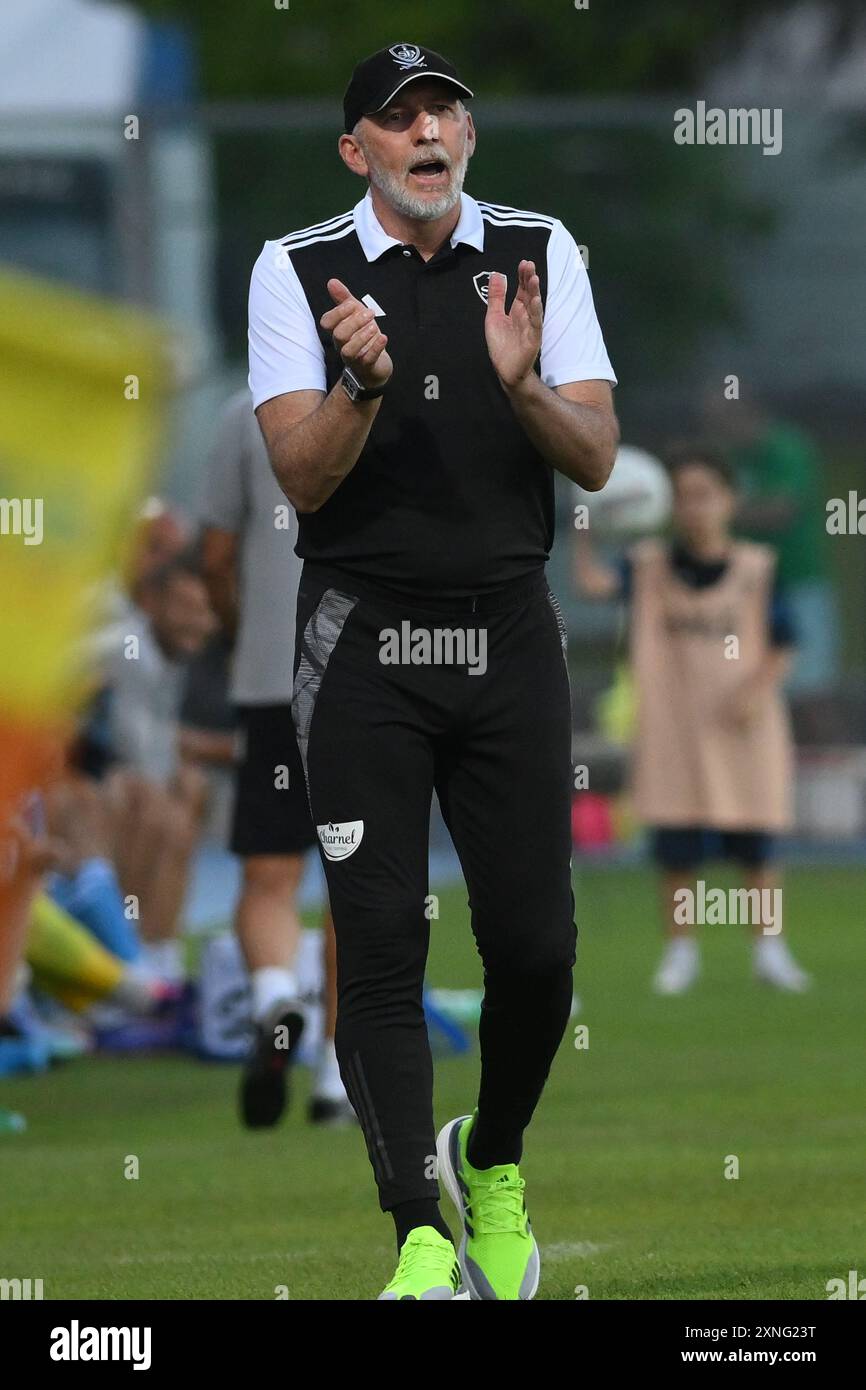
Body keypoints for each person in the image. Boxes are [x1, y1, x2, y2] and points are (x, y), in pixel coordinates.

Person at [248, 43, 618, 1299]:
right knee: (379, 939)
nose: (427, 129)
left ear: (466, 138)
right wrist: (357, 384)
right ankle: (416, 1227)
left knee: (534, 949)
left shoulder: (538, 248)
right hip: (362, 640)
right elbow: (300, 476)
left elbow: (596, 454)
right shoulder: (295, 268)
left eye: (445, 109)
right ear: (357, 149)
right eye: (398, 115)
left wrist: (521, 387)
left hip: (507, 634)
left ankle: (493, 1159)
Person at [575, 447, 811, 996]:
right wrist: (589, 512)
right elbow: (590, 583)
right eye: (682, 496)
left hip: (744, 727)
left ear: (729, 500)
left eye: (706, 494)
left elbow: (784, 643)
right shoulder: (648, 566)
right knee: (677, 847)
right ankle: (681, 953)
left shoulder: (757, 568)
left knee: (757, 844)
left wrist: (755, 689)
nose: (694, 507)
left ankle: (769, 949)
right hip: (674, 729)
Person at [200, 390, 351, 1128]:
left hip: (270, 673)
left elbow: (217, 552)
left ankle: (271, 995)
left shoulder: (244, 410)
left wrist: (245, 635)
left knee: (268, 871)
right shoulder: (401, 378)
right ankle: (335, 1076)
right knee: (357, 883)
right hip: (369, 674)